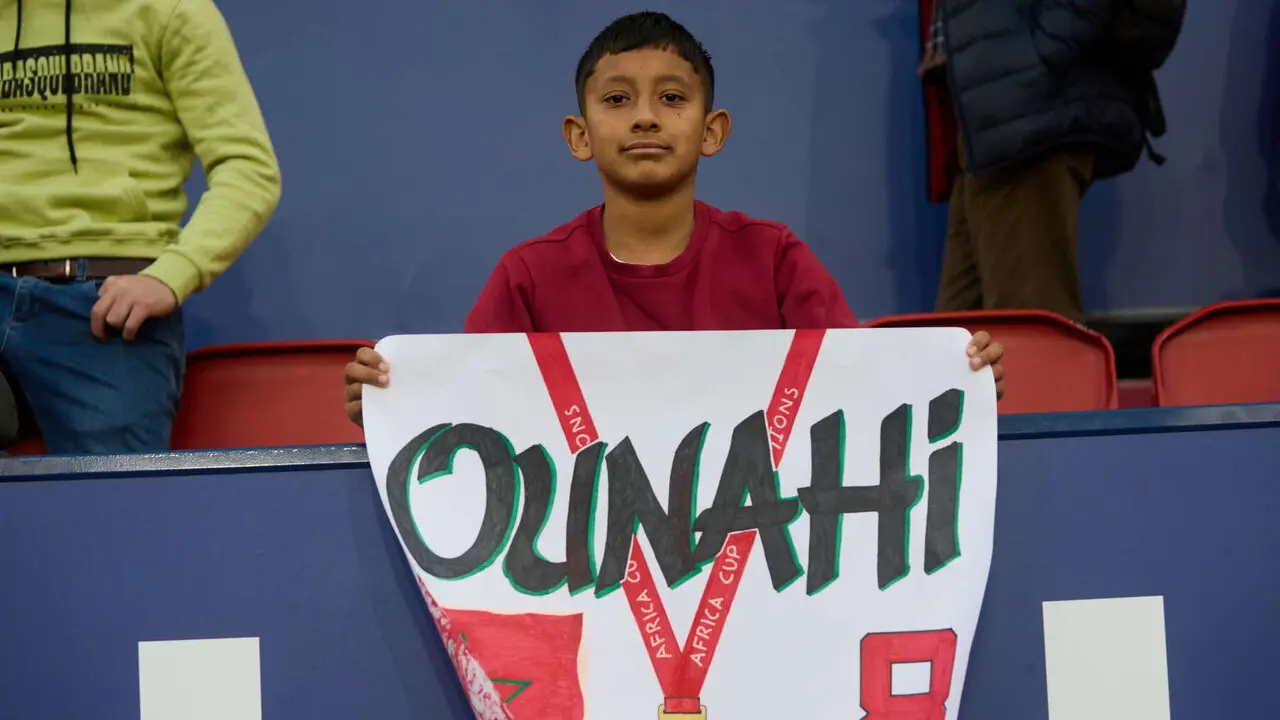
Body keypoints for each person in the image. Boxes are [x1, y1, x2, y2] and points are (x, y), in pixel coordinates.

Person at [344, 11, 1004, 426]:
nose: (645, 117)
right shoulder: (529, 277)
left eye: (671, 97)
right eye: (617, 99)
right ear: (579, 135)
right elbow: (469, 417)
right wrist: (391, 401)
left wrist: (951, 384)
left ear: (712, 130)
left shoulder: (774, 259)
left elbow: (855, 391)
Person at [0, 0, 281, 453]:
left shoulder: (174, 11)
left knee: (110, 496)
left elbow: (248, 169)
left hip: (105, 302)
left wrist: (172, 274)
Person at [920, 0, 1148, 324]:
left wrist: (1037, 59)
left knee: (1030, 327)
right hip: (987, 117)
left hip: (1026, 114)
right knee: (958, 333)